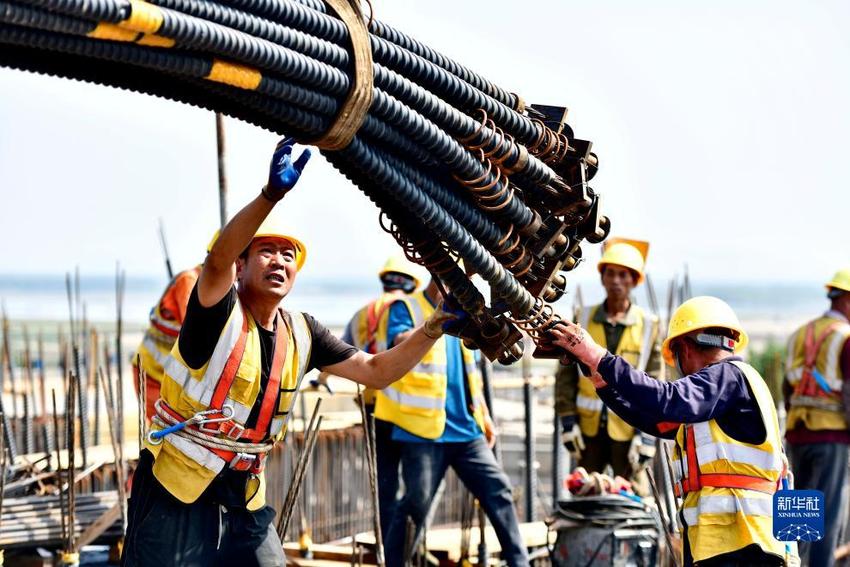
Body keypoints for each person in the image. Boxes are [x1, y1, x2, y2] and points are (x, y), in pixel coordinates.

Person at [121, 138, 458, 567]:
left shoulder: (303, 332)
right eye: (266, 252)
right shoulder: (216, 313)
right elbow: (217, 259)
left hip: (243, 496)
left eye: (287, 255)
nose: (279, 261)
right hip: (176, 489)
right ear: (241, 267)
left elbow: (377, 371)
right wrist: (270, 196)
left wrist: (433, 326)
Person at [549, 296, 793, 567]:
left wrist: (597, 355)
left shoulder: (728, 377)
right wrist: (603, 384)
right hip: (732, 543)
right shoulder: (718, 401)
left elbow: (666, 400)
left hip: (745, 544)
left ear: (684, 348)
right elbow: (655, 419)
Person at [379, 277, 529, 567]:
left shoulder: (467, 308)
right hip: (422, 432)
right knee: (416, 505)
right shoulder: (405, 308)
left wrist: (483, 414)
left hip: (467, 432)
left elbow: (469, 370)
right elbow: (397, 342)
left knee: (499, 491)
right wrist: (431, 325)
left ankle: (519, 563)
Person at [555, 238, 661, 483]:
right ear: (602, 277)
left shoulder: (649, 326)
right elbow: (566, 376)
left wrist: (647, 437)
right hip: (588, 431)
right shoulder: (583, 316)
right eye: (610, 273)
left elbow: (656, 385)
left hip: (629, 428)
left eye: (623, 275)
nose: (615, 281)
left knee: (634, 500)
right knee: (587, 492)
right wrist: (568, 421)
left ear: (634, 280)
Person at [340, 255, 421, 537]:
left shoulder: (363, 314)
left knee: (384, 480)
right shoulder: (413, 312)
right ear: (412, 284)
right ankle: (406, 543)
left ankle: (386, 542)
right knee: (417, 484)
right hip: (410, 407)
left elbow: (340, 353)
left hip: (374, 404)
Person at [783, 268, 850, 567]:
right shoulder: (845, 337)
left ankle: (789, 562)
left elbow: (787, 387)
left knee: (800, 512)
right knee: (828, 515)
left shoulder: (801, 333)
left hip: (797, 433)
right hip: (831, 436)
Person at [133, 233, 218, 420]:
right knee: (162, 431)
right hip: (152, 373)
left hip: (170, 376)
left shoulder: (214, 289)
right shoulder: (189, 281)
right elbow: (195, 328)